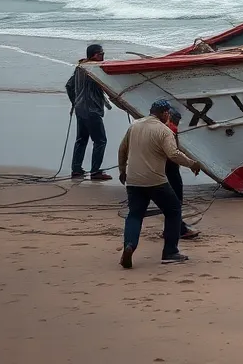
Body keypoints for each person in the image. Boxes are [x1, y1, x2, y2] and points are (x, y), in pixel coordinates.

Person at [117, 99, 201, 268]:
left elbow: (122, 149)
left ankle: (130, 246)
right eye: (168, 113)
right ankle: (170, 252)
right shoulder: (164, 130)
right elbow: (173, 154)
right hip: (155, 181)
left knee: (134, 215)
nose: (168, 116)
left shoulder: (135, 125)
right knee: (173, 210)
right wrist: (192, 164)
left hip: (133, 180)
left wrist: (122, 171)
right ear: (163, 113)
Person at [65, 43, 113, 181]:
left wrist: (75, 102)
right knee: (100, 141)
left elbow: (69, 86)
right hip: (92, 110)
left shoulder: (80, 67)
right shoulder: (94, 69)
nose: (103, 57)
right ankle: (96, 172)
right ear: (93, 55)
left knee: (81, 140)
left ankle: (76, 170)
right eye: (101, 54)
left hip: (80, 110)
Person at [164, 108, 199, 240]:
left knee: (169, 201)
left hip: (160, 169)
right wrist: (190, 164)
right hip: (171, 168)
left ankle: (169, 229)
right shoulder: (171, 129)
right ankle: (180, 229)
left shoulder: (159, 129)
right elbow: (174, 153)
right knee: (176, 200)